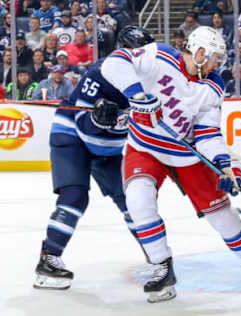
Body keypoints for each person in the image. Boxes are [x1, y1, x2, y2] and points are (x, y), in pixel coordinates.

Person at [100, 26, 241, 302]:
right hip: (145, 145)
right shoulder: (159, 55)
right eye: (216, 57)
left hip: (186, 154)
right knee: (138, 201)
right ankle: (162, 268)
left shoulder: (214, 84)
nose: (220, 63)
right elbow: (114, 63)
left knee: (221, 215)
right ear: (201, 52)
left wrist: (222, 163)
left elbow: (207, 132)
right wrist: (137, 94)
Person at [33, 25, 155, 290]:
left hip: (109, 147)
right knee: (75, 196)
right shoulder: (101, 72)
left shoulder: (154, 79)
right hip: (72, 137)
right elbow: (82, 121)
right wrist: (96, 119)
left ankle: (156, 256)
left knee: (132, 198)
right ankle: (49, 259)